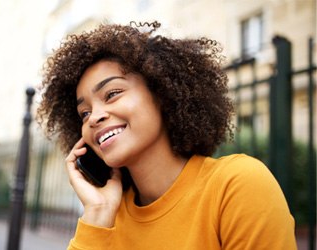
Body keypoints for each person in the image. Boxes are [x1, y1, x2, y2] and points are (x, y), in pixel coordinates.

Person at [37, 21, 296, 249]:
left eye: (112, 94)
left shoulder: (237, 185)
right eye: (84, 113)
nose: (94, 117)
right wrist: (98, 213)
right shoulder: (106, 218)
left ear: (162, 94)